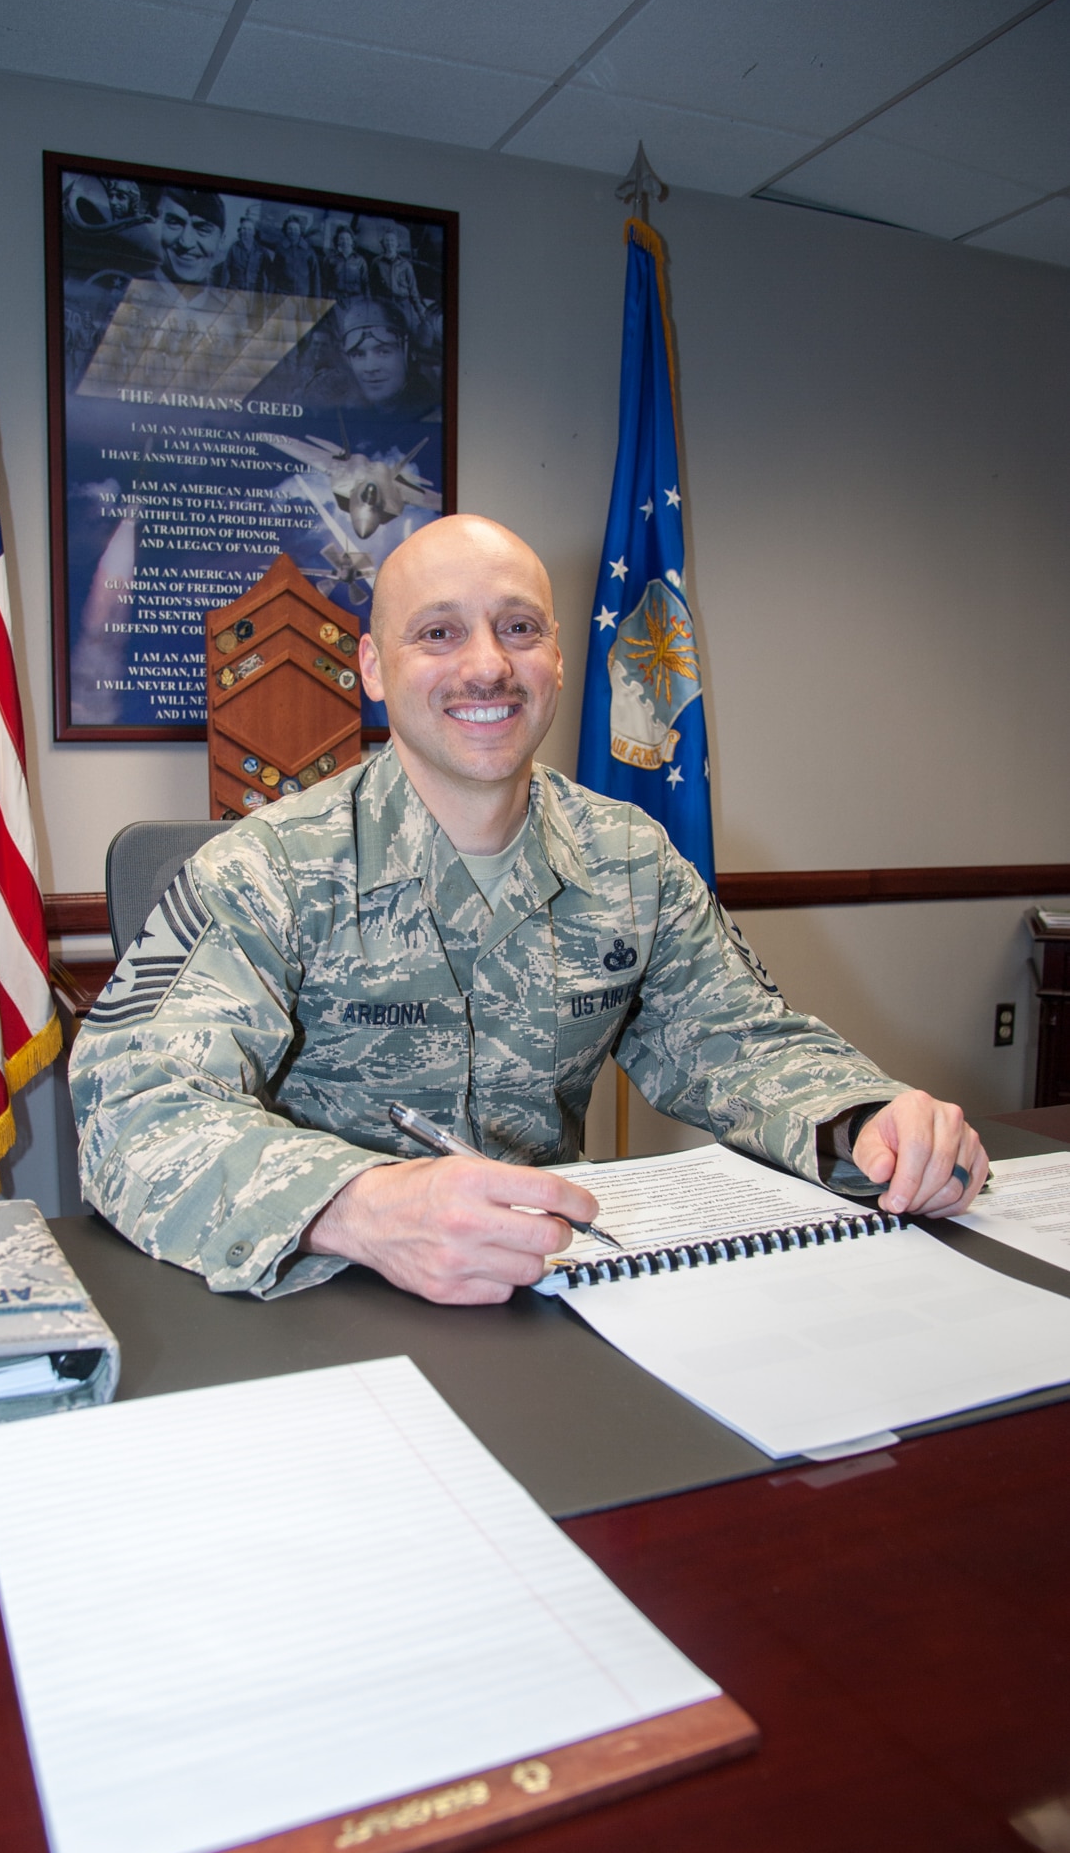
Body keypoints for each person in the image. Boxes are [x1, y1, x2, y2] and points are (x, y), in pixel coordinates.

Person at [69, 516, 987, 1305]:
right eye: (437, 633)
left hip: (557, 1293)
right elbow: (132, 1107)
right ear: (372, 669)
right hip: (326, 1294)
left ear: (554, 657)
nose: (486, 666)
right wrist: (358, 1206)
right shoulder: (265, 869)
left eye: (517, 628)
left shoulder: (629, 861)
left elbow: (738, 1042)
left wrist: (864, 1121)